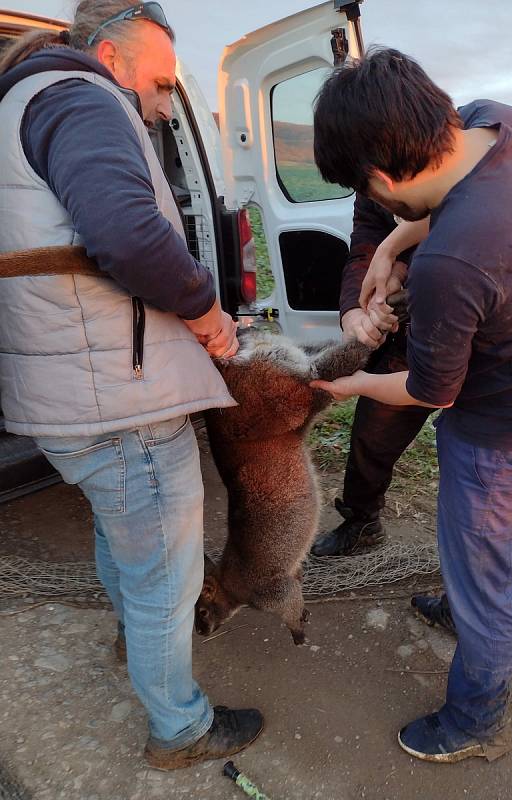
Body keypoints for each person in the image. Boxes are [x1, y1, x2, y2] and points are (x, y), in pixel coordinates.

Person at [311, 49, 512, 762]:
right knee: (485, 558)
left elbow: (430, 391)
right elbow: (453, 205)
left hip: (503, 439)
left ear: (379, 181)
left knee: (486, 592)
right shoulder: (506, 123)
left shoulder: (452, 263)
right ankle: (473, 604)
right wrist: (392, 245)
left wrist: (347, 385)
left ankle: (473, 723)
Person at [0, 1, 263, 769]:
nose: (158, 105)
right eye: (154, 83)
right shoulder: (82, 99)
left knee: (124, 536)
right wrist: (210, 313)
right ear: (109, 57)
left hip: (71, 395)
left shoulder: (20, 101)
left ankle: (136, 645)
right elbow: (126, 233)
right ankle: (180, 728)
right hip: (117, 395)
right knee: (165, 572)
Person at [311, 192, 512, 671]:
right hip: (413, 326)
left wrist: (395, 259)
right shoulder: (370, 179)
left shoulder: (471, 173)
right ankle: (361, 519)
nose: (371, 186)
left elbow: (434, 387)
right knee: (373, 434)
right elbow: (365, 244)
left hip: (481, 334)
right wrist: (359, 307)